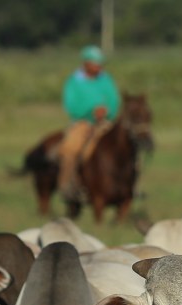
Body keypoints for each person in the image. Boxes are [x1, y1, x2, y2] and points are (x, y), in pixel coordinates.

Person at [58, 45, 121, 200]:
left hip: (106, 122)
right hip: (83, 122)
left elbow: (114, 100)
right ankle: (67, 184)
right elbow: (71, 105)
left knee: (126, 145)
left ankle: (131, 186)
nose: (98, 67)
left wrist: (108, 112)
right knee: (70, 149)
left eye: (100, 64)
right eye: (95, 64)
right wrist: (91, 110)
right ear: (85, 63)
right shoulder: (74, 81)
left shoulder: (106, 79)